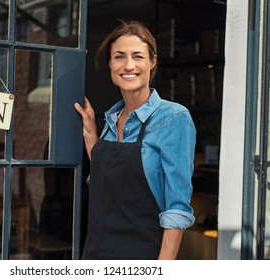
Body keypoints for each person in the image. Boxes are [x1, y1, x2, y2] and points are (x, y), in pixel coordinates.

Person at [74, 20, 196, 260]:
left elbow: (177, 208)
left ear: (152, 62)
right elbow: (108, 174)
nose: (129, 65)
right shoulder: (111, 118)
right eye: (119, 56)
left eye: (138, 56)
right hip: (96, 253)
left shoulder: (174, 118)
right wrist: (90, 132)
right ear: (110, 64)